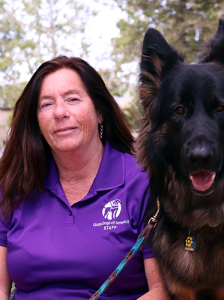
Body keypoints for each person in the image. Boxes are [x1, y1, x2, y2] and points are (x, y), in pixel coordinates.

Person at [0, 56, 169, 300]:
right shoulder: (14, 185)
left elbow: (162, 291)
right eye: (46, 104)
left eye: (73, 99)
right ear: (36, 120)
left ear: (100, 112)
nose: (60, 112)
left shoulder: (144, 184)